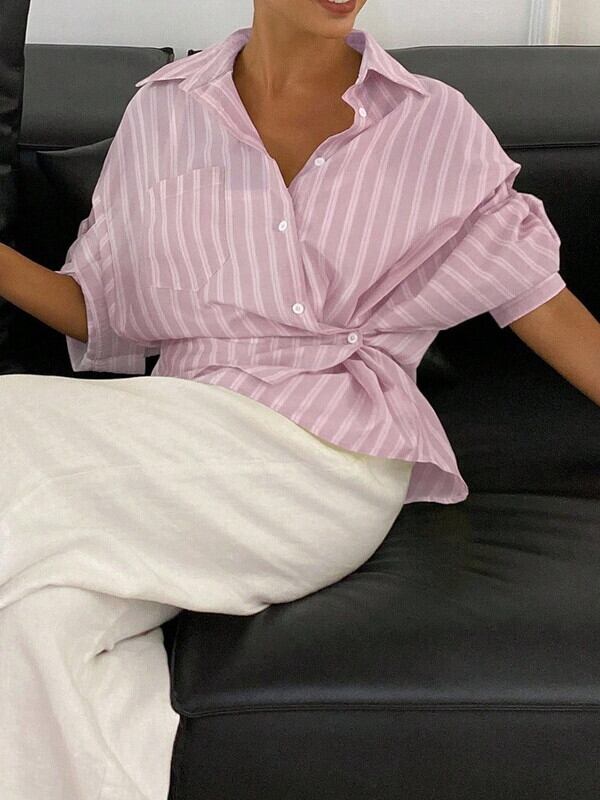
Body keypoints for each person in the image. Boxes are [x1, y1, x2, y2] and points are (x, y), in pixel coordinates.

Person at [0, 2, 422, 799]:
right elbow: (102, 310)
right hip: (185, 441)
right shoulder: (165, 110)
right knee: (32, 629)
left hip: (328, 459)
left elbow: (544, 304)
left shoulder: (428, 123)